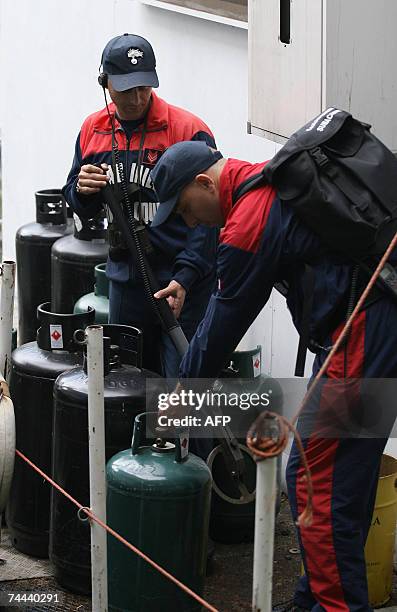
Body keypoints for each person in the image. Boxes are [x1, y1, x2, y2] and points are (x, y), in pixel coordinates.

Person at [150, 140, 397, 612]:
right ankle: (312, 598)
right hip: (375, 320)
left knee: (314, 479)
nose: (190, 223)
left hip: (364, 328)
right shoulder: (270, 180)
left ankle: (335, 607)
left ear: (205, 183)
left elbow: (223, 321)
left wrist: (181, 390)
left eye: (186, 209)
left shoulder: (247, 219)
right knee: (347, 477)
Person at [62, 33, 218, 377]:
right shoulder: (93, 130)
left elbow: (209, 218)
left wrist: (187, 277)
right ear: (105, 84)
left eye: (144, 87)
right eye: (126, 88)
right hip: (126, 282)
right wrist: (82, 191)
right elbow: (76, 201)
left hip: (181, 282)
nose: (136, 98)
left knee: (182, 385)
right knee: (126, 383)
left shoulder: (187, 130)